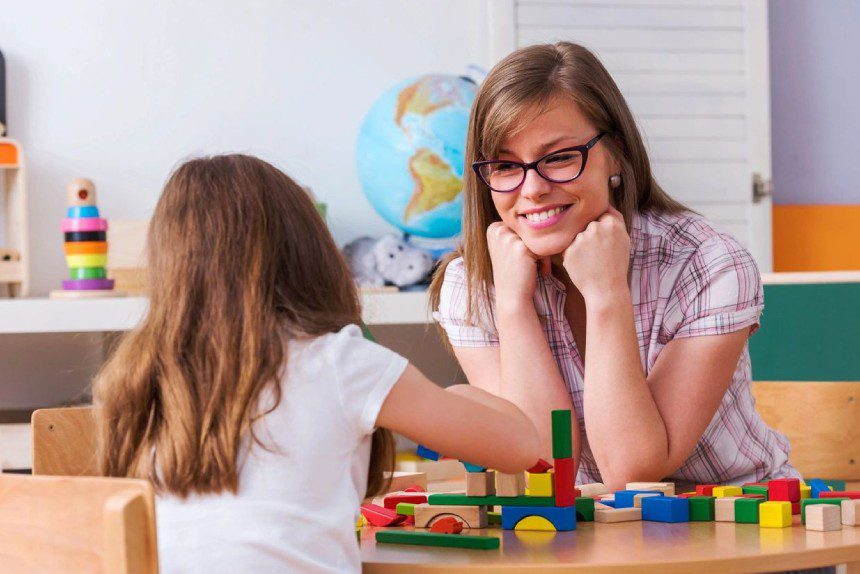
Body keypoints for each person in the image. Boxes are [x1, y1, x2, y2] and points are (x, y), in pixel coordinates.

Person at [94, 154, 541, 573]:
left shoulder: (137, 375)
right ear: (308, 254)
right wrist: (457, 396)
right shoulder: (338, 360)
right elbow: (523, 447)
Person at [430, 42, 799, 490]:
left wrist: (606, 295)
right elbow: (541, 461)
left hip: (746, 531)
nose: (532, 189)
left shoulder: (708, 265)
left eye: (560, 157)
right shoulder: (474, 285)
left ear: (615, 154)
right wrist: (513, 305)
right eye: (506, 166)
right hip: (593, 540)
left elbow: (633, 470)